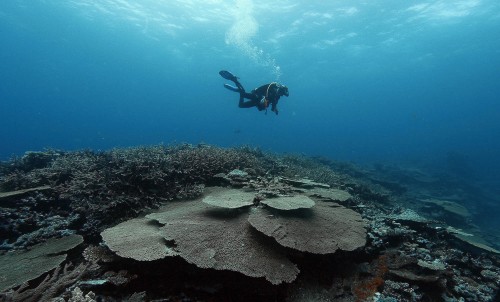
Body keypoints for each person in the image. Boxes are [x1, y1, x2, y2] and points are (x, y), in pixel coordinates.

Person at [219, 70, 289, 115]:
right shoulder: (273, 86)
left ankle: (239, 90)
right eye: (281, 92)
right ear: (280, 89)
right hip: (257, 95)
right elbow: (263, 88)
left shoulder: (277, 98)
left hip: (257, 103)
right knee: (243, 94)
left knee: (241, 105)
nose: (280, 94)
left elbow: (273, 107)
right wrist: (262, 97)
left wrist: (275, 110)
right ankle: (234, 79)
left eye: (282, 94)